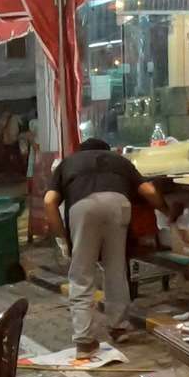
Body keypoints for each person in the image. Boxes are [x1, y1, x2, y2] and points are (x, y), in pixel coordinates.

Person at [44, 138, 168, 354]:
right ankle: (119, 328)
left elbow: (48, 201)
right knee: (115, 269)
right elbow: (148, 191)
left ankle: (84, 338)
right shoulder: (119, 160)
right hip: (118, 204)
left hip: (83, 208)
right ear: (106, 151)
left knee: (81, 273)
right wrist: (168, 212)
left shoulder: (68, 162)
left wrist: (62, 238)